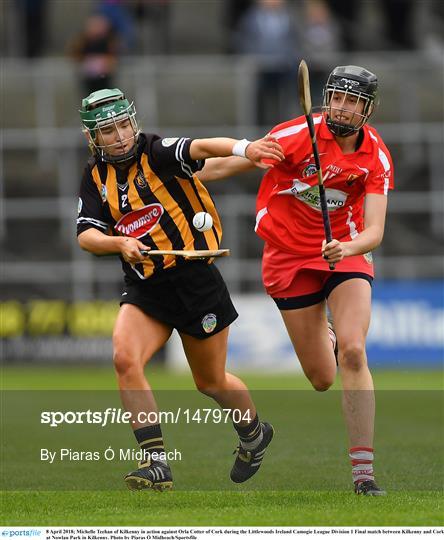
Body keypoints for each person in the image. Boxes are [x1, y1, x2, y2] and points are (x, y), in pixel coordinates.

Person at [198, 65, 394, 496]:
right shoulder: (298, 134)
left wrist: (348, 248)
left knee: (355, 352)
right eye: (336, 98)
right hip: (287, 258)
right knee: (323, 378)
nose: (341, 107)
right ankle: (325, 334)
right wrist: (179, 177)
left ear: (368, 109)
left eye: (352, 101)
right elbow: (231, 164)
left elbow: (375, 231)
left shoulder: (375, 157)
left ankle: (364, 475)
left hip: (344, 254)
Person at [76, 88, 284, 491]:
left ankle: (255, 436)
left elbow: (204, 146)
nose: (119, 136)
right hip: (146, 287)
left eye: (123, 125)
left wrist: (247, 149)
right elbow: (86, 234)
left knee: (211, 382)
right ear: (93, 138)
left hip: (195, 283)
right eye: (107, 131)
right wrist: (118, 243)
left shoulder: (155, 151)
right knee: (124, 358)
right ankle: (155, 463)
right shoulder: (95, 177)